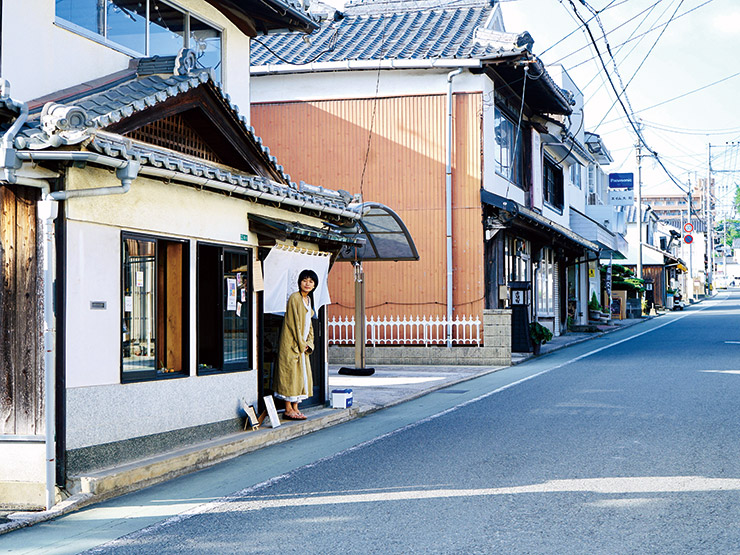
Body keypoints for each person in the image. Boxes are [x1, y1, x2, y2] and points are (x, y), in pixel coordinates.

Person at [273, 269, 318, 420]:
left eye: (311, 281)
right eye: (305, 280)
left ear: (314, 285)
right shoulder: (294, 298)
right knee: (290, 375)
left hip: (302, 345)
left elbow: (309, 324)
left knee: (301, 376)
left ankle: (296, 407)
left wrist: (308, 343)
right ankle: (287, 409)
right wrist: (301, 343)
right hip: (292, 344)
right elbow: (294, 324)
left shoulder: (308, 300)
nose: (307, 284)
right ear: (299, 282)